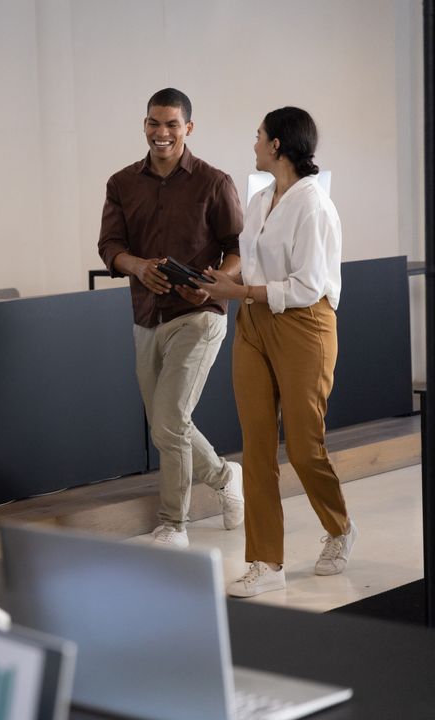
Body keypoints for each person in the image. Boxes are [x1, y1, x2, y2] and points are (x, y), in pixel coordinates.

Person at [196, 106, 356, 598]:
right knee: (257, 445)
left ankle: (339, 527)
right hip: (254, 324)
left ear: (278, 145)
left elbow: (308, 286)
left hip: (304, 325)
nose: (254, 143)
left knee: (306, 447)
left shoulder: (314, 205)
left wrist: (240, 293)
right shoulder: (262, 197)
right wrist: (226, 282)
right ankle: (266, 562)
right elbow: (257, 269)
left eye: (259, 136)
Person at [98, 88, 245, 548]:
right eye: (153, 123)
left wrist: (217, 280)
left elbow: (239, 249)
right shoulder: (122, 183)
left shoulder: (213, 182)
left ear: (188, 128)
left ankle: (173, 525)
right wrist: (137, 266)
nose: (161, 133)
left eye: (171, 125)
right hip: (147, 315)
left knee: (170, 418)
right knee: (166, 425)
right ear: (145, 124)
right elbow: (109, 247)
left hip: (199, 314)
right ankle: (224, 477)